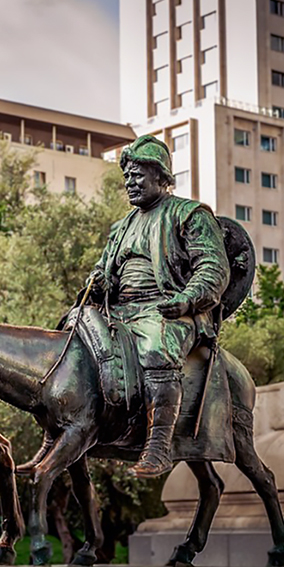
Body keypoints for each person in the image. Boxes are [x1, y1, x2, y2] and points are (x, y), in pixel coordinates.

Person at [89, 134, 230, 477]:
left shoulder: (190, 214)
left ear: (159, 175)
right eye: (127, 177)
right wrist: (99, 282)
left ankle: (158, 447)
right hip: (120, 312)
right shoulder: (122, 227)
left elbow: (213, 267)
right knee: (75, 333)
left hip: (169, 310)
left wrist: (186, 300)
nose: (130, 183)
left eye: (137, 175)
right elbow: (105, 268)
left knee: (156, 347)